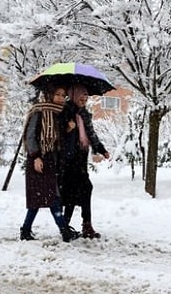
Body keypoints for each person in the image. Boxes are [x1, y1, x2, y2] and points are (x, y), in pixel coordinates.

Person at [19, 84, 79, 242]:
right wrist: (36, 156)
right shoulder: (38, 111)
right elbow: (30, 136)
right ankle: (64, 231)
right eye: (58, 94)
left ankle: (26, 230)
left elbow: (57, 138)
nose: (61, 98)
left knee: (43, 197)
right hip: (38, 160)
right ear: (49, 94)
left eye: (63, 95)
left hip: (52, 160)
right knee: (48, 196)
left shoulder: (58, 114)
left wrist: (68, 128)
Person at [59, 84, 110, 239]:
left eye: (86, 97)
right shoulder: (64, 111)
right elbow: (56, 133)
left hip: (80, 159)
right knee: (73, 192)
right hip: (67, 160)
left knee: (82, 190)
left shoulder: (85, 114)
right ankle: (70, 226)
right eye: (81, 96)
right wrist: (67, 128)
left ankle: (81, 225)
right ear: (73, 95)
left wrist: (101, 149)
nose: (84, 99)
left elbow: (91, 134)